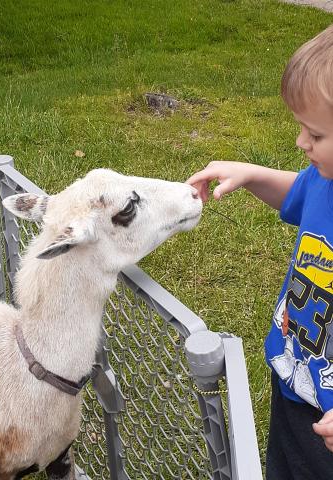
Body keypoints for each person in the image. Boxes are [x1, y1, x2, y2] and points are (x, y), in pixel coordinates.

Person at [187, 24, 333, 480]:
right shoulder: (324, 181)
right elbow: (298, 193)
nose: (300, 143)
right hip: (295, 377)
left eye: (315, 134)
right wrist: (250, 174)